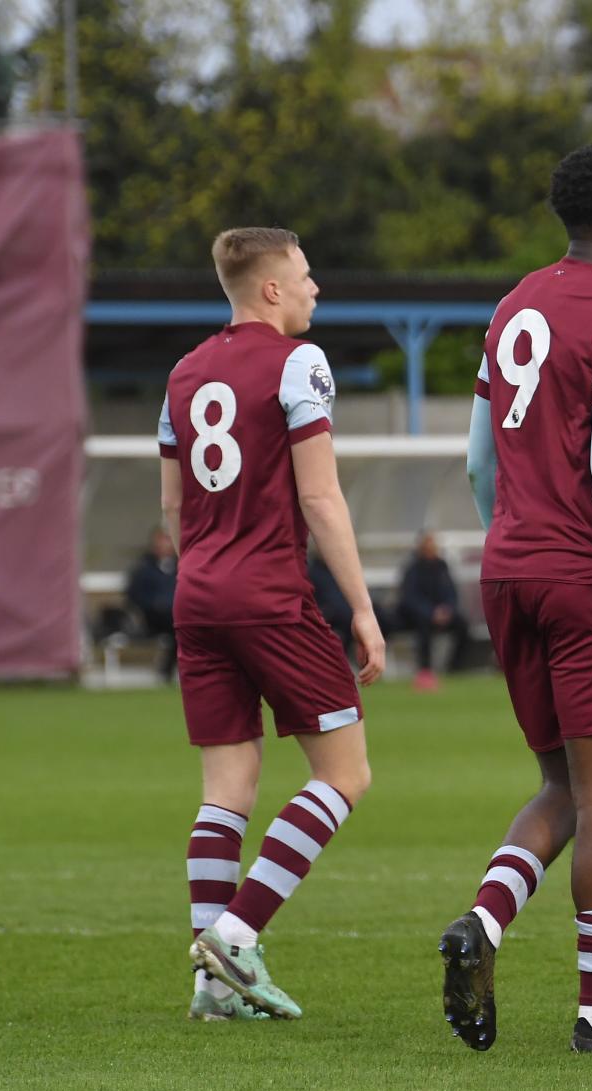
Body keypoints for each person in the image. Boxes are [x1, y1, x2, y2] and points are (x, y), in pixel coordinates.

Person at [437, 143, 592, 1054]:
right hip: (584, 578)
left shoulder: (511, 306)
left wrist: (516, 541)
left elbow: (476, 460)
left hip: (510, 569)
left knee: (562, 783)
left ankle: (483, 926)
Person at [165, 227, 384, 1021]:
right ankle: (237, 931)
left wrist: (203, 570)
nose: (314, 287)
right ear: (269, 290)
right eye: (304, 274)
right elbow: (320, 498)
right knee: (345, 773)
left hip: (198, 594)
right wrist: (362, 607)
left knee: (226, 792)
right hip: (269, 595)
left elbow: (172, 506)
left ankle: (213, 988)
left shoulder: (184, 373)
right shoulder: (300, 362)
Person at [395, 531, 470, 691]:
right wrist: (430, 612)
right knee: (424, 628)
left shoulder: (442, 566)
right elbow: (410, 598)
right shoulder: (413, 569)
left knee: (463, 625)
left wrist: (447, 609)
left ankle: (454, 668)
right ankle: (425, 670)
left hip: (441, 614)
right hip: (419, 616)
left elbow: (451, 592)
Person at [125, 527, 178, 679]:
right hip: (153, 619)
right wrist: (155, 605)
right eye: (162, 539)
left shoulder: (182, 566)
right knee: (178, 626)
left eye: (168, 539)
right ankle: (167, 671)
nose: (165, 544)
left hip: (177, 616)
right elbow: (133, 596)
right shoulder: (144, 569)